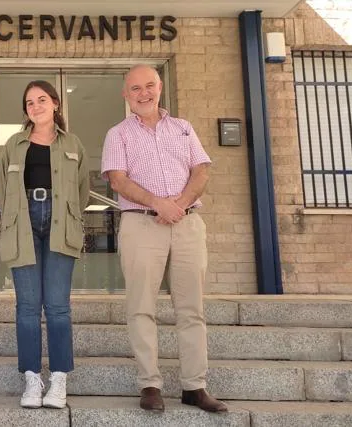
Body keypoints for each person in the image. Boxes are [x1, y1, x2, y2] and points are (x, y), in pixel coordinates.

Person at [101, 64, 227, 413]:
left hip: (187, 224)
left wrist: (179, 206)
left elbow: (202, 171)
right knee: (141, 307)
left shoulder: (184, 129)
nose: (144, 93)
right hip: (141, 225)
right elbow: (118, 180)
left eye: (150, 86)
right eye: (136, 88)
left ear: (160, 88)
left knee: (192, 309)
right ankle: (150, 384)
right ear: (125, 95)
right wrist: (159, 203)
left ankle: (194, 386)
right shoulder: (118, 134)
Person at [0, 80, 89, 409]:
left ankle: (59, 378)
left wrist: (63, 216)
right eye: (29, 102)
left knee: (58, 307)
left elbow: (82, 191)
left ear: (55, 104)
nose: (35, 106)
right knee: (28, 307)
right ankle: (32, 379)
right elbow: (2, 191)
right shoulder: (13, 144)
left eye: (42, 99)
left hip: (60, 224)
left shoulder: (73, 143)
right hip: (23, 224)